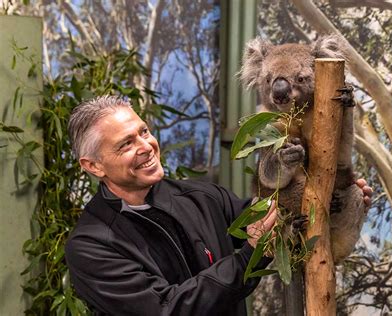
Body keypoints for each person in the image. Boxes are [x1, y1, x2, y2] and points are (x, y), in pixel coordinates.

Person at [65, 95, 372, 316]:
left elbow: (272, 217)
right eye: (126, 144)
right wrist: (248, 257)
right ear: (93, 166)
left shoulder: (201, 197)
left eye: (143, 132)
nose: (146, 147)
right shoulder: (92, 246)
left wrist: (337, 205)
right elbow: (167, 309)